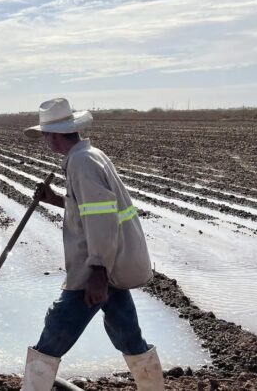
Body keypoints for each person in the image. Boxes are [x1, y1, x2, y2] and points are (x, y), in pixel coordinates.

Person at [20, 98, 164, 391]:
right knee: (129, 337)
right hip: (110, 264)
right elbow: (89, 208)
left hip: (95, 270)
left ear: (55, 134)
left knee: (54, 334)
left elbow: (101, 219)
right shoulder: (90, 154)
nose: (45, 139)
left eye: (46, 134)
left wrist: (97, 271)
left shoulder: (81, 162)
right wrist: (55, 200)